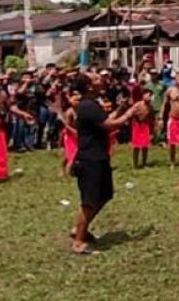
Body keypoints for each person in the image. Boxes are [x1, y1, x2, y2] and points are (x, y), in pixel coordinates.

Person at [71, 73, 137, 255]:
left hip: (99, 156)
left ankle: (80, 229)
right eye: (95, 79)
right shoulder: (87, 105)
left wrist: (122, 109)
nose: (100, 80)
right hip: (90, 158)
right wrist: (130, 114)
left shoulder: (93, 103)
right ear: (89, 86)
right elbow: (109, 125)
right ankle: (78, 241)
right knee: (90, 201)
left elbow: (104, 119)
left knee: (104, 195)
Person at [128, 83, 154, 170]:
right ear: (143, 96)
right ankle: (135, 164)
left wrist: (152, 130)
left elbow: (151, 118)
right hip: (137, 126)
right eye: (148, 95)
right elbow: (130, 113)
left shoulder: (150, 107)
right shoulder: (138, 104)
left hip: (145, 126)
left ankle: (144, 163)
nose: (150, 97)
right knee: (136, 146)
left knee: (145, 146)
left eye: (151, 96)